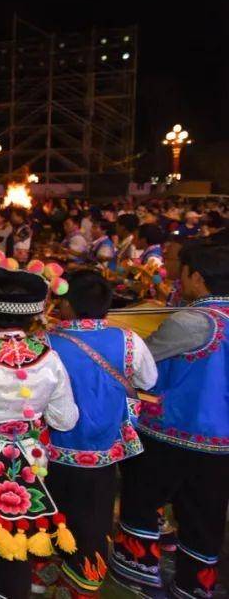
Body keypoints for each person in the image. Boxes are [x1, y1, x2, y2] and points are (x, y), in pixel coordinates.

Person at [111, 242, 229, 598]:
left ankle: (139, 573)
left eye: (183, 270)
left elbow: (141, 361)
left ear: (197, 276)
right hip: (221, 442)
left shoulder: (192, 321)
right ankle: (195, 584)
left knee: (143, 500)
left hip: (171, 433)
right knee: (205, 514)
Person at [35, 270, 157, 598]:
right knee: (95, 516)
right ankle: (85, 582)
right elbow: (147, 380)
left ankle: (43, 571)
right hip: (104, 449)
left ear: (68, 304)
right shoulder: (129, 340)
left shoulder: (45, 342)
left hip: (55, 449)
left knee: (51, 509)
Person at [0, 260, 79, 599]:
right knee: (19, 532)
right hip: (32, 458)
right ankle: (12, 590)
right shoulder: (50, 357)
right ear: (34, 316)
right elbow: (65, 420)